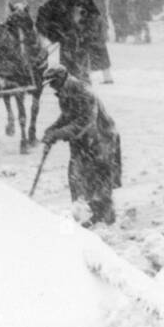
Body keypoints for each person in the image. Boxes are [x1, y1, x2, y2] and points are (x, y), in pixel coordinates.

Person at [41, 65, 123, 228]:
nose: (51, 87)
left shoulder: (83, 92)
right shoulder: (65, 92)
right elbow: (67, 116)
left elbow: (84, 122)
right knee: (77, 179)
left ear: (60, 80)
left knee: (98, 181)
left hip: (101, 140)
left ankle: (103, 218)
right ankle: (85, 215)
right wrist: (53, 129)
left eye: (52, 83)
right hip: (83, 143)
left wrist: (58, 134)